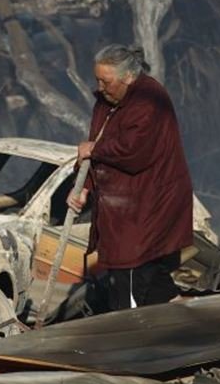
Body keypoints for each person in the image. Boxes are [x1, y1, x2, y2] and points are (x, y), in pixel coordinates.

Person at [68, 44, 193, 310]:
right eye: (98, 80)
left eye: (106, 81)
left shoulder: (150, 101)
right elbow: (96, 146)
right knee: (153, 279)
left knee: (131, 272)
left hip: (148, 206)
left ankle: (128, 340)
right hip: (124, 210)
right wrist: (84, 186)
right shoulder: (108, 102)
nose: (100, 87)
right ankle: (175, 319)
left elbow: (134, 151)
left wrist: (94, 149)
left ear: (127, 77)